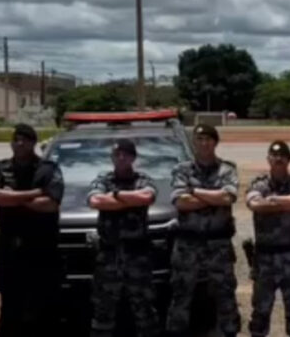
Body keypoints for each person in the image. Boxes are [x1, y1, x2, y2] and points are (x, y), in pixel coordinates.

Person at [0, 124, 64, 337]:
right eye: (16, 139)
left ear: (33, 143)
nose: (20, 144)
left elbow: (50, 204)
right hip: (10, 253)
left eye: (25, 140)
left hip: (42, 251)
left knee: (44, 312)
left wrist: (13, 197)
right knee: (10, 311)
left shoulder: (49, 169)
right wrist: (33, 194)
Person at [166, 124, 241, 337]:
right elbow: (180, 202)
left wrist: (195, 191)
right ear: (194, 143)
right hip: (187, 245)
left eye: (209, 139)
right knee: (182, 295)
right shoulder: (181, 169)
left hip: (219, 244)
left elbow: (228, 197)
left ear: (215, 142)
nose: (204, 143)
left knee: (225, 294)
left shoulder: (227, 169)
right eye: (200, 139)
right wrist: (213, 198)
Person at [86, 139, 160, 337]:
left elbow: (147, 198)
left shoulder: (143, 179)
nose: (121, 158)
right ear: (111, 158)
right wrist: (130, 200)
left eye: (125, 154)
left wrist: (115, 195)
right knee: (103, 311)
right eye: (117, 154)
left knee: (145, 311)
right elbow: (95, 200)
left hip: (137, 256)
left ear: (133, 157)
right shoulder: (103, 178)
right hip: (108, 256)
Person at [246, 141, 290, 337]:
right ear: (268, 159)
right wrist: (286, 203)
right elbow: (254, 204)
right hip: (265, 259)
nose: (278, 159)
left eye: (283, 156)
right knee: (260, 313)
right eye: (274, 156)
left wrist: (272, 200)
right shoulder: (258, 183)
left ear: (288, 160)